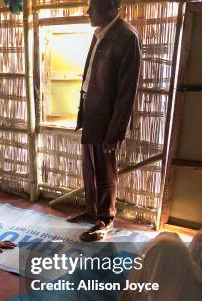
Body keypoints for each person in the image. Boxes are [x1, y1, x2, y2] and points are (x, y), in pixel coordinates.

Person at [68, 0, 141, 242]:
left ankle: (105, 220)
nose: (88, 11)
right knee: (89, 170)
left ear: (111, 8)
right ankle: (92, 211)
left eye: (93, 7)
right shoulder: (100, 33)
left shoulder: (126, 37)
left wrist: (115, 132)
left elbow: (126, 93)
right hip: (92, 114)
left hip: (107, 120)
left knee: (105, 172)